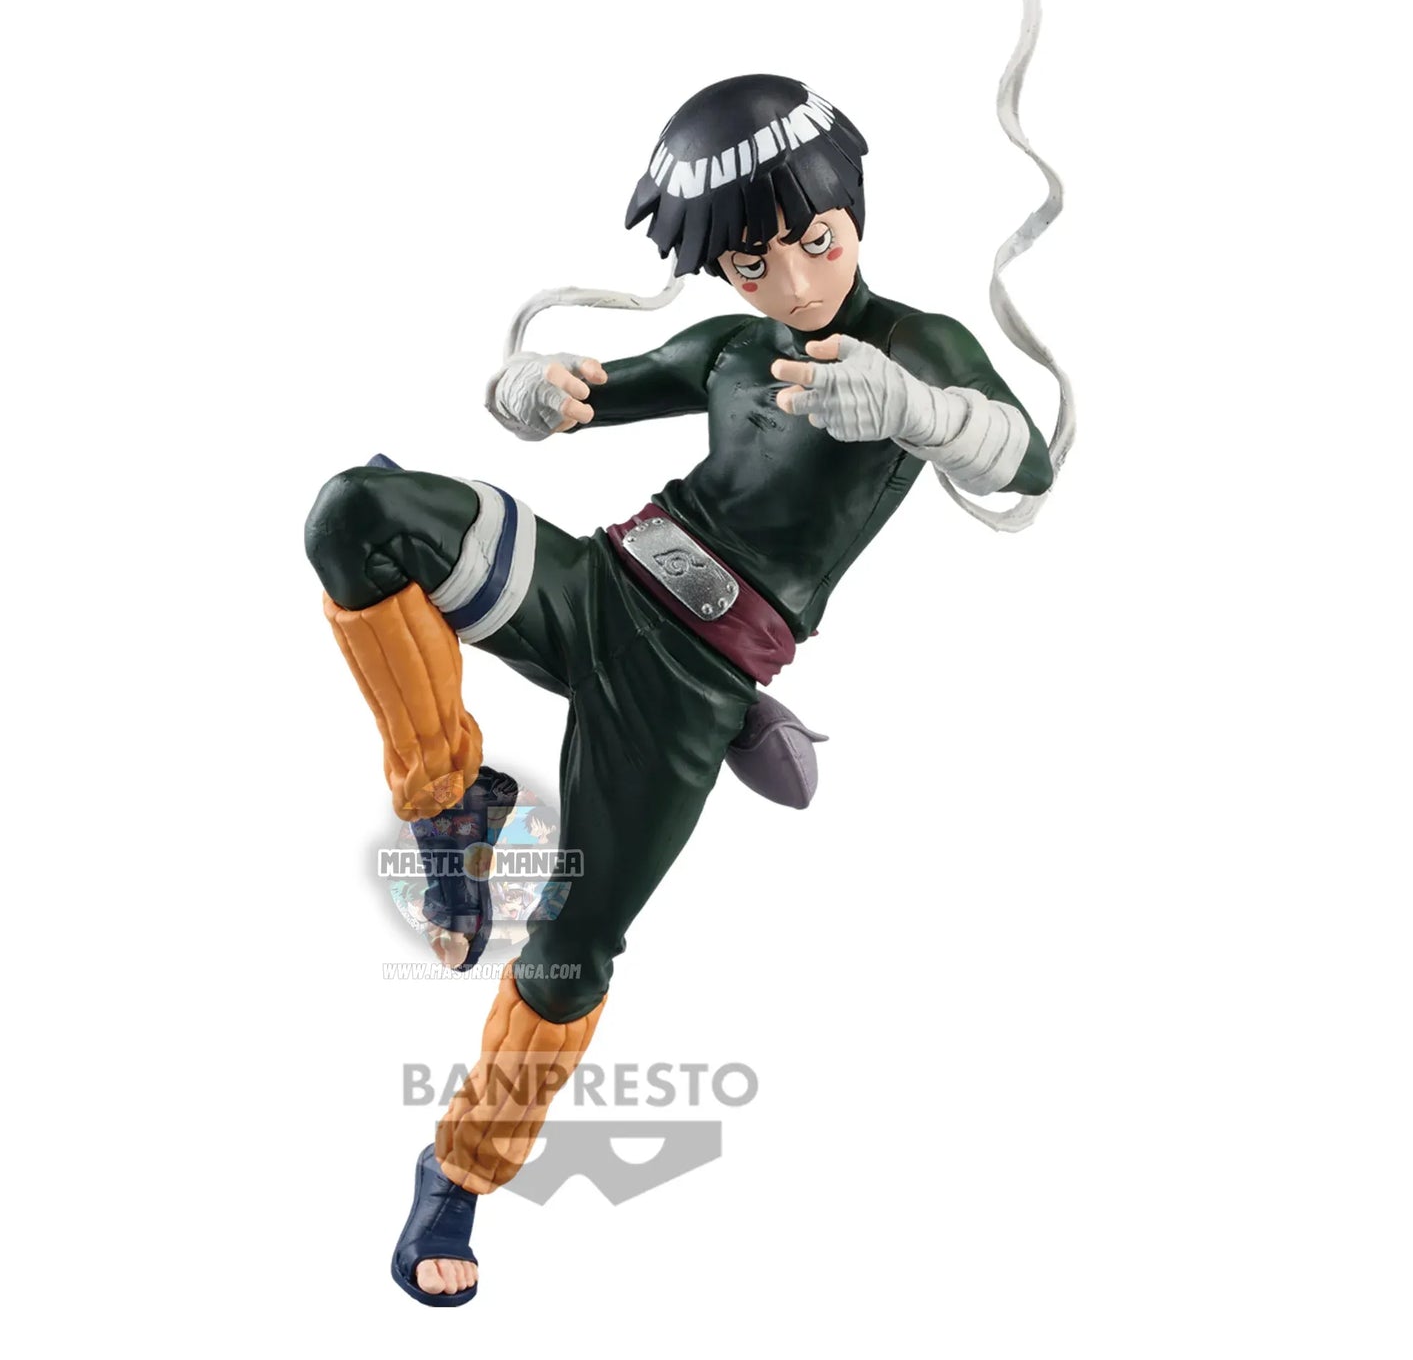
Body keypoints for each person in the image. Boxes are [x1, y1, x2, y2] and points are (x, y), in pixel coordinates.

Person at [305, 72, 1055, 1307]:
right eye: (753, 263)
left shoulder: (918, 347)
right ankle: (452, 804)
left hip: (691, 679)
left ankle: (458, 1171)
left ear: (855, 212)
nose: (793, 282)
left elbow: (1025, 464)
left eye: (816, 242)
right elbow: (588, 391)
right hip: (600, 584)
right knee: (356, 511)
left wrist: (919, 408)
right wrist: (526, 391)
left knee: (570, 945)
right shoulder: (731, 346)